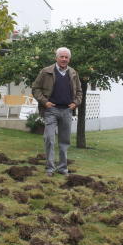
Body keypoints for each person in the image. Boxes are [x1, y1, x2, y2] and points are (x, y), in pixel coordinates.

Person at [31, 47, 82, 176]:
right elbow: (35, 88)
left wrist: (75, 103)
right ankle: (49, 168)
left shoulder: (73, 73)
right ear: (56, 58)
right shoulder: (46, 71)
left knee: (64, 141)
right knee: (49, 138)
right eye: (62, 57)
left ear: (69, 59)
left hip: (67, 111)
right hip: (51, 110)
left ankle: (63, 168)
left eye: (66, 57)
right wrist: (45, 102)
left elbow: (80, 92)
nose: (64, 59)